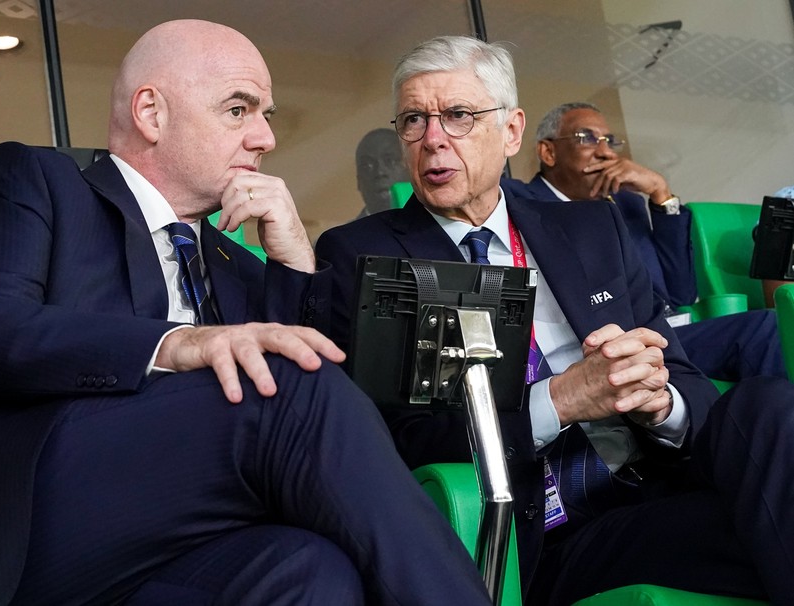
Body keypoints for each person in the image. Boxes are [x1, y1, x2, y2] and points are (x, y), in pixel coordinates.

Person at [0, 21, 493, 606]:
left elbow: (333, 424)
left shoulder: (233, 261)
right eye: (239, 110)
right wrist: (172, 344)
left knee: (309, 571)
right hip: (28, 515)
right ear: (152, 113)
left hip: (175, 548)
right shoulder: (40, 181)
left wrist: (294, 259)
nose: (266, 137)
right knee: (286, 387)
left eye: (267, 115)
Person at [316, 34, 794, 605]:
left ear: (512, 131)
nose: (434, 139)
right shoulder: (367, 256)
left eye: (459, 116)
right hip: (551, 526)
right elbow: (397, 443)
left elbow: (681, 371)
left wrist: (661, 402)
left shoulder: (592, 229)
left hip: (664, 472)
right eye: (414, 120)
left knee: (767, 403)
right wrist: (563, 399)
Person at [501, 101, 785, 382]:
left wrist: (661, 193)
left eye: (609, 141)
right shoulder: (521, 204)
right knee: (766, 327)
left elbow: (681, 293)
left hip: (671, 331)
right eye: (586, 138)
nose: (604, 152)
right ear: (548, 152)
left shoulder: (627, 205)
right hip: (612, 342)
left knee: (774, 329)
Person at [355, 127, 410, 217]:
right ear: (358, 181)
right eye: (368, 166)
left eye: (390, 161)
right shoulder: (348, 231)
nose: (380, 172)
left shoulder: (437, 224)